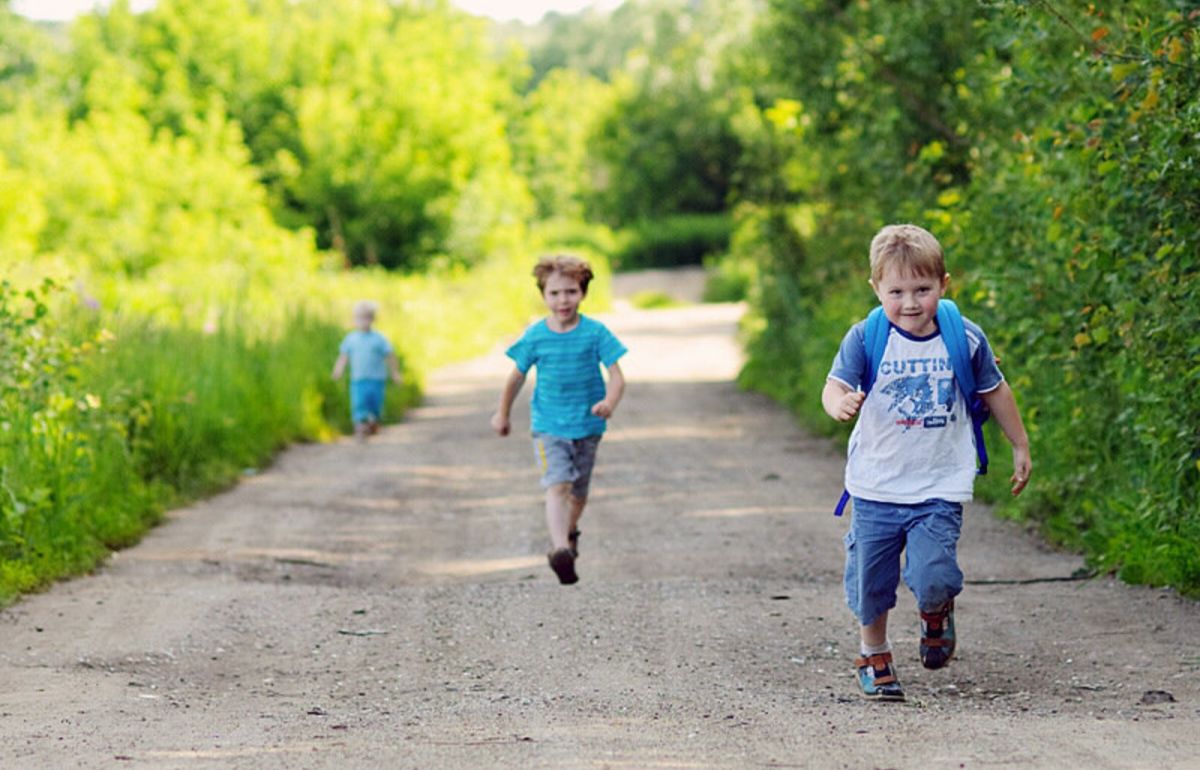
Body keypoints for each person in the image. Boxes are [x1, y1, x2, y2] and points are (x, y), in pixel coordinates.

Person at [822, 224, 1032, 701]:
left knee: (934, 574)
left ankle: (935, 610)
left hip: (939, 483)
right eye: (896, 291)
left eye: (923, 289)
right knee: (869, 582)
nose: (911, 303)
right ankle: (873, 654)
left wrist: (1019, 444)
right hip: (876, 486)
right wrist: (836, 403)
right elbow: (833, 383)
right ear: (876, 289)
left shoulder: (965, 337)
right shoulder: (866, 336)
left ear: (944, 284)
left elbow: (994, 390)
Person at [491, 255, 627, 585]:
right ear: (543, 296)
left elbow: (618, 377)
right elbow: (516, 378)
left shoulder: (596, 333)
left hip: (588, 425)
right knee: (557, 484)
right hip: (548, 426)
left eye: (570, 292)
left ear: (582, 293)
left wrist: (609, 401)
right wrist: (503, 413)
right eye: (554, 293)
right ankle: (559, 549)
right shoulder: (536, 335)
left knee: (578, 492)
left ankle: (569, 532)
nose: (562, 300)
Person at [332, 300, 403, 441]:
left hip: (377, 380)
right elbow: (343, 356)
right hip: (358, 380)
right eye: (359, 318)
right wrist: (338, 370)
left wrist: (395, 373)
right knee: (359, 404)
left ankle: (373, 422)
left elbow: (390, 355)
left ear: (373, 319)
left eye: (366, 317)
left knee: (375, 404)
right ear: (354, 320)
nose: (363, 321)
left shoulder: (379, 339)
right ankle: (360, 426)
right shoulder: (351, 339)